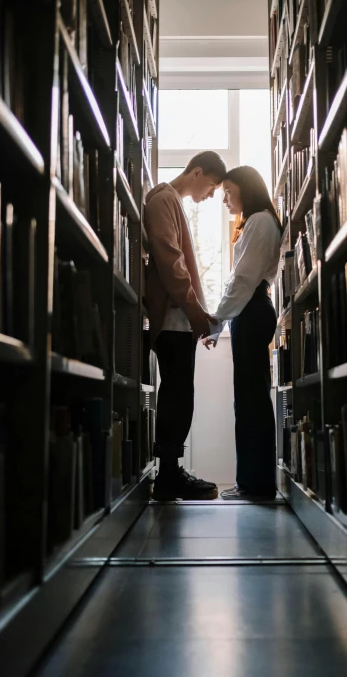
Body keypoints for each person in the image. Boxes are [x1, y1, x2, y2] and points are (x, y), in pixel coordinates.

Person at [145, 150, 227, 501]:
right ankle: (168, 477)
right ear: (196, 172)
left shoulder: (171, 201)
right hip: (175, 320)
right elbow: (171, 263)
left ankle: (170, 473)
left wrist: (197, 318)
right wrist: (197, 315)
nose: (210, 196)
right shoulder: (164, 200)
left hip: (181, 320)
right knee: (177, 397)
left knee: (179, 396)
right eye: (210, 186)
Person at [203, 166, 282, 501]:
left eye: (228, 192)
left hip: (250, 312)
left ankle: (255, 484)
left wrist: (216, 320)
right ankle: (252, 482)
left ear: (245, 189)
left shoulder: (260, 221)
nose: (224, 199)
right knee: (250, 399)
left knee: (250, 402)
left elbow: (242, 281)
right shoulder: (257, 221)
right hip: (249, 312)